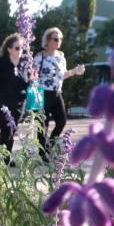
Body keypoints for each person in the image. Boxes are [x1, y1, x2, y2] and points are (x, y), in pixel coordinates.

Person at [33, 27, 84, 159]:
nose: (58, 41)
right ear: (48, 40)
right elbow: (32, 75)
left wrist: (74, 71)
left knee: (61, 121)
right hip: (42, 93)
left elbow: (62, 75)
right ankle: (43, 152)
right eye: (56, 39)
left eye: (60, 39)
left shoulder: (61, 57)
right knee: (43, 124)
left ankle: (49, 144)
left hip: (57, 93)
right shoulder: (40, 57)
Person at [0, 33, 29, 161]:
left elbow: (26, 84)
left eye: (22, 48)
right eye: (17, 48)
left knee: (10, 132)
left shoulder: (23, 65)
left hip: (18, 107)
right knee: (7, 131)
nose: (20, 50)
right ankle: (5, 159)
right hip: (1, 106)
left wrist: (32, 79)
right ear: (9, 49)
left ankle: (5, 157)